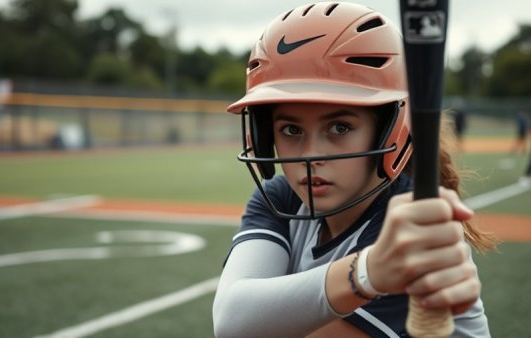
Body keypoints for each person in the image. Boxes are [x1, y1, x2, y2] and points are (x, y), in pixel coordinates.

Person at [213, 2, 496, 337]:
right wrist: (369, 272)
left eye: (340, 128)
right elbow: (234, 320)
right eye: (291, 130)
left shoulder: (413, 230)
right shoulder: (283, 198)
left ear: (390, 129)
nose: (310, 156)